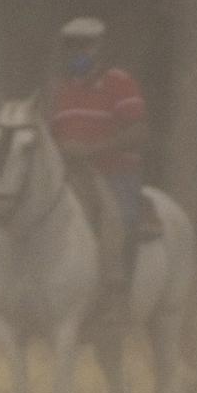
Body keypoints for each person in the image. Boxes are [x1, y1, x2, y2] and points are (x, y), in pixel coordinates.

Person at [48, 16, 150, 268]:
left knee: (123, 220)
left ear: (99, 48)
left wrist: (91, 150)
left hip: (114, 173)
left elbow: (139, 132)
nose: (78, 52)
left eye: (85, 46)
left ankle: (119, 292)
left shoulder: (119, 82)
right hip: (71, 175)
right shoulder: (62, 90)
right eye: (72, 46)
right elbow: (53, 135)